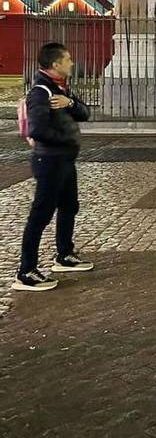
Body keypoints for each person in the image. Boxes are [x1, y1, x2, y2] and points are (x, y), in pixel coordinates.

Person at [13, 43, 93, 292]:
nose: (72, 62)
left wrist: (69, 103)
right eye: (67, 59)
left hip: (65, 160)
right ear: (55, 65)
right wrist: (67, 139)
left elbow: (85, 113)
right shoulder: (40, 93)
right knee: (40, 214)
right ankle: (26, 272)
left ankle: (64, 255)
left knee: (69, 206)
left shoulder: (61, 89)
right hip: (49, 161)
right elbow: (38, 130)